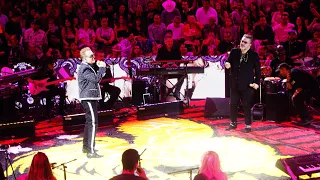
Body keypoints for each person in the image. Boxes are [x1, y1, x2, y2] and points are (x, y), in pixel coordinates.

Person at [225, 34, 261, 133]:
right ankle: (233, 123)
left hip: (247, 85)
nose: (242, 43)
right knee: (233, 104)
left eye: (245, 42)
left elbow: (258, 71)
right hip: (234, 84)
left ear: (250, 44)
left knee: (246, 105)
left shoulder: (254, 55)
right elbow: (228, 62)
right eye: (242, 41)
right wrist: (227, 64)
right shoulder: (234, 52)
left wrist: (257, 82)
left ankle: (248, 125)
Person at [78, 47, 106, 158]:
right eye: (91, 56)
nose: (94, 57)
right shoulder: (85, 68)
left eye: (93, 55)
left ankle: (86, 147)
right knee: (93, 123)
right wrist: (102, 69)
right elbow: (96, 79)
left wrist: (99, 66)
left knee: (89, 123)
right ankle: (91, 151)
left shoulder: (87, 66)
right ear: (84, 58)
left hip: (90, 98)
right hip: (88, 98)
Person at [156, 37, 183, 101]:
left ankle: (177, 92)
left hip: (174, 70)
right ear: (165, 42)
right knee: (161, 77)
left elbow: (179, 59)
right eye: (169, 42)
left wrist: (176, 64)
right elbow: (157, 60)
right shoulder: (161, 50)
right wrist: (163, 64)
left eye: (171, 42)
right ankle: (163, 96)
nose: (170, 43)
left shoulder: (176, 50)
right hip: (164, 71)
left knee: (182, 75)